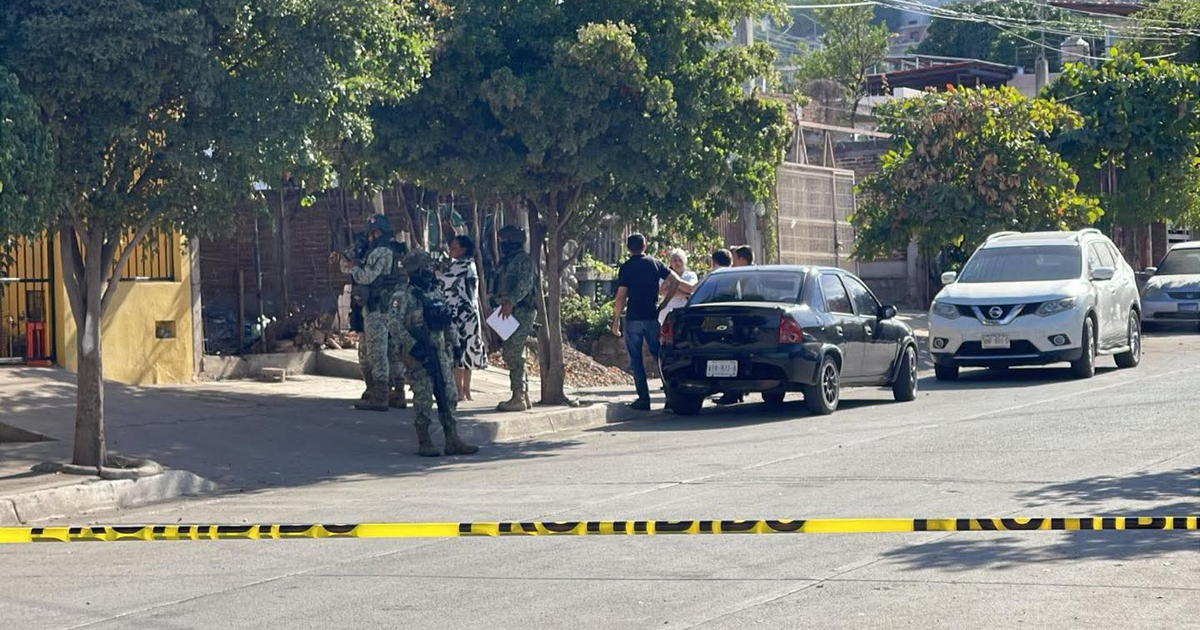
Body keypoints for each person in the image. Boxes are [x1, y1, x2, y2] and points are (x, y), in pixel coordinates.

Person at [392, 250, 479, 457]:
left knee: (448, 394)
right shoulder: (402, 296)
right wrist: (412, 346)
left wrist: (456, 344)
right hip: (417, 353)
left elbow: (446, 321)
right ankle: (425, 440)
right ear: (416, 270)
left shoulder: (435, 293)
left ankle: (452, 439)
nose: (430, 271)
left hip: (440, 350)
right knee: (423, 396)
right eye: (426, 268)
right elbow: (394, 324)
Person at [610, 234, 695, 411]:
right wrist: (664, 302)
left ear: (628, 248)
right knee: (660, 357)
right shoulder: (655, 263)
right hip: (652, 316)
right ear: (645, 246)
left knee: (636, 359)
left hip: (633, 317)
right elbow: (676, 281)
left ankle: (643, 399)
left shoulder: (626, 267)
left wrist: (616, 320)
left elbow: (621, 296)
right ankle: (670, 395)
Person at [332, 214, 406, 411]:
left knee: (376, 352)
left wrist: (354, 267)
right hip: (392, 308)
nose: (370, 236)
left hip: (377, 308)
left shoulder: (380, 251)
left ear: (378, 232)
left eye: (372, 233)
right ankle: (397, 393)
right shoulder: (396, 249)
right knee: (391, 352)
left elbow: (366, 277)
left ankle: (380, 396)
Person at [492, 225, 537, 412]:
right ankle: (522, 395)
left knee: (514, 353)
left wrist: (510, 301)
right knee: (512, 352)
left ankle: (518, 396)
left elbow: (524, 285)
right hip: (508, 310)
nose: (501, 245)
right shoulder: (508, 261)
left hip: (521, 311)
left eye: (503, 241)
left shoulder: (523, 261)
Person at [440, 235, 488, 401]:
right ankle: (466, 390)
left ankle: (460, 391)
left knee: (458, 352)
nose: (451, 250)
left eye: (454, 247)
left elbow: (443, 281)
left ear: (463, 249)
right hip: (470, 314)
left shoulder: (462, 266)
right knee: (469, 352)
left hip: (460, 314)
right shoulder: (471, 265)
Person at [658, 248, 698, 326]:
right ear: (671, 263)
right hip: (667, 311)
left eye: (680, 260)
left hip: (684, 311)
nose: (677, 263)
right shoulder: (664, 276)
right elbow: (662, 291)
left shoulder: (690, 275)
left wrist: (674, 281)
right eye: (675, 261)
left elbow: (690, 289)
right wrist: (683, 294)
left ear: (685, 262)